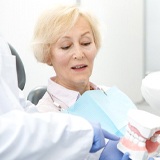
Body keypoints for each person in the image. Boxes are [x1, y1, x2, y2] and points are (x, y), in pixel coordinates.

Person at [0, 35, 129, 160]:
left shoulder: (110, 93)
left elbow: (15, 107)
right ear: (48, 55)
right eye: (66, 46)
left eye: (86, 43)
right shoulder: (47, 108)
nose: (79, 54)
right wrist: (81, 134)